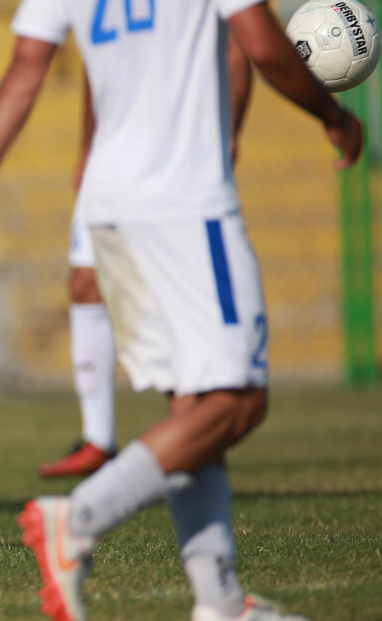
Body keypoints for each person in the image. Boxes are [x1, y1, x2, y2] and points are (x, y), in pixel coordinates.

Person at [0, 0, 362, 619]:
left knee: (192, 403)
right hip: (184, 197)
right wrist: (334, 116)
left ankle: (219, 599)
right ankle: (80, 519)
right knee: (238, 401)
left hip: (108, 206)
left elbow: (27, 66)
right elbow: (260, 43)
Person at [40, 37, 252, 480]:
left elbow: (241, 47)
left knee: (174, 307)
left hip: (175, 162)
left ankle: (188, 436)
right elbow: (95, 65)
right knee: (86, 282)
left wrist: (229, 128)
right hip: (112, 160)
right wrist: (86, 146)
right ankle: (98, 440)